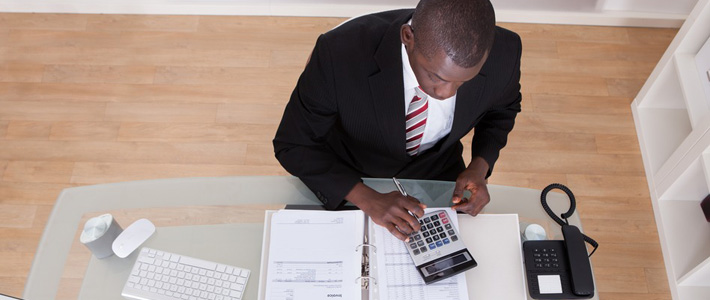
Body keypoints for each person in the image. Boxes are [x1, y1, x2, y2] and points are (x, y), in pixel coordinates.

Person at [273, 0, 522, 241]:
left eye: (463, 81)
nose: (446, 94)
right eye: (436, 76)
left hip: (438, 174)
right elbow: (294, 144)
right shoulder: (339, 52)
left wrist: (480, 164)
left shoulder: (505, 52)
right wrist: (365, 197)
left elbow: (503, 109)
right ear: (407, 37)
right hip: (348, 172)